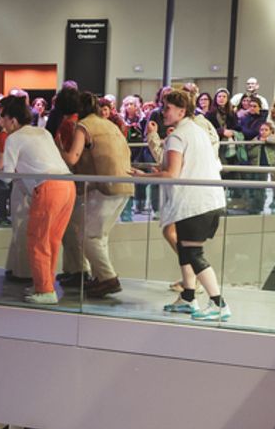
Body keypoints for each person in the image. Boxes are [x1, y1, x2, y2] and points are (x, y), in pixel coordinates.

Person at [132, 89, 230, 321]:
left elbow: (171, 174)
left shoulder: (178, 136)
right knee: (186, 249)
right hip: (207, 200)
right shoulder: (195, 131)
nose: (162, 111)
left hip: (195, 203)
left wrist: (142, 177)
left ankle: (218, 303)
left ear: (181, 110)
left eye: (167, 108)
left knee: (194, 252)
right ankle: (188, 297)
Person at [0, 95, 75, 304]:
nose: (0, 122)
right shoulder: (42, 132)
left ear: (12, 120)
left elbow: (6, 177)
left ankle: (45, 290)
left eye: (2, 118)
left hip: (48, 188)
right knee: (52, 240)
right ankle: (45, 285)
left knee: (37, 240)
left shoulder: (14, 138)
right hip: (68, 185)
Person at [58, 91, 133, 298]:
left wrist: (58, 148)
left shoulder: (84, 126)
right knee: (99, 236)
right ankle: (100, 278)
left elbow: (72, 158)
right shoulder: (110, 125)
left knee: (88, 235)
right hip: (124, 185)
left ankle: (108, 278)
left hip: (105, 187)